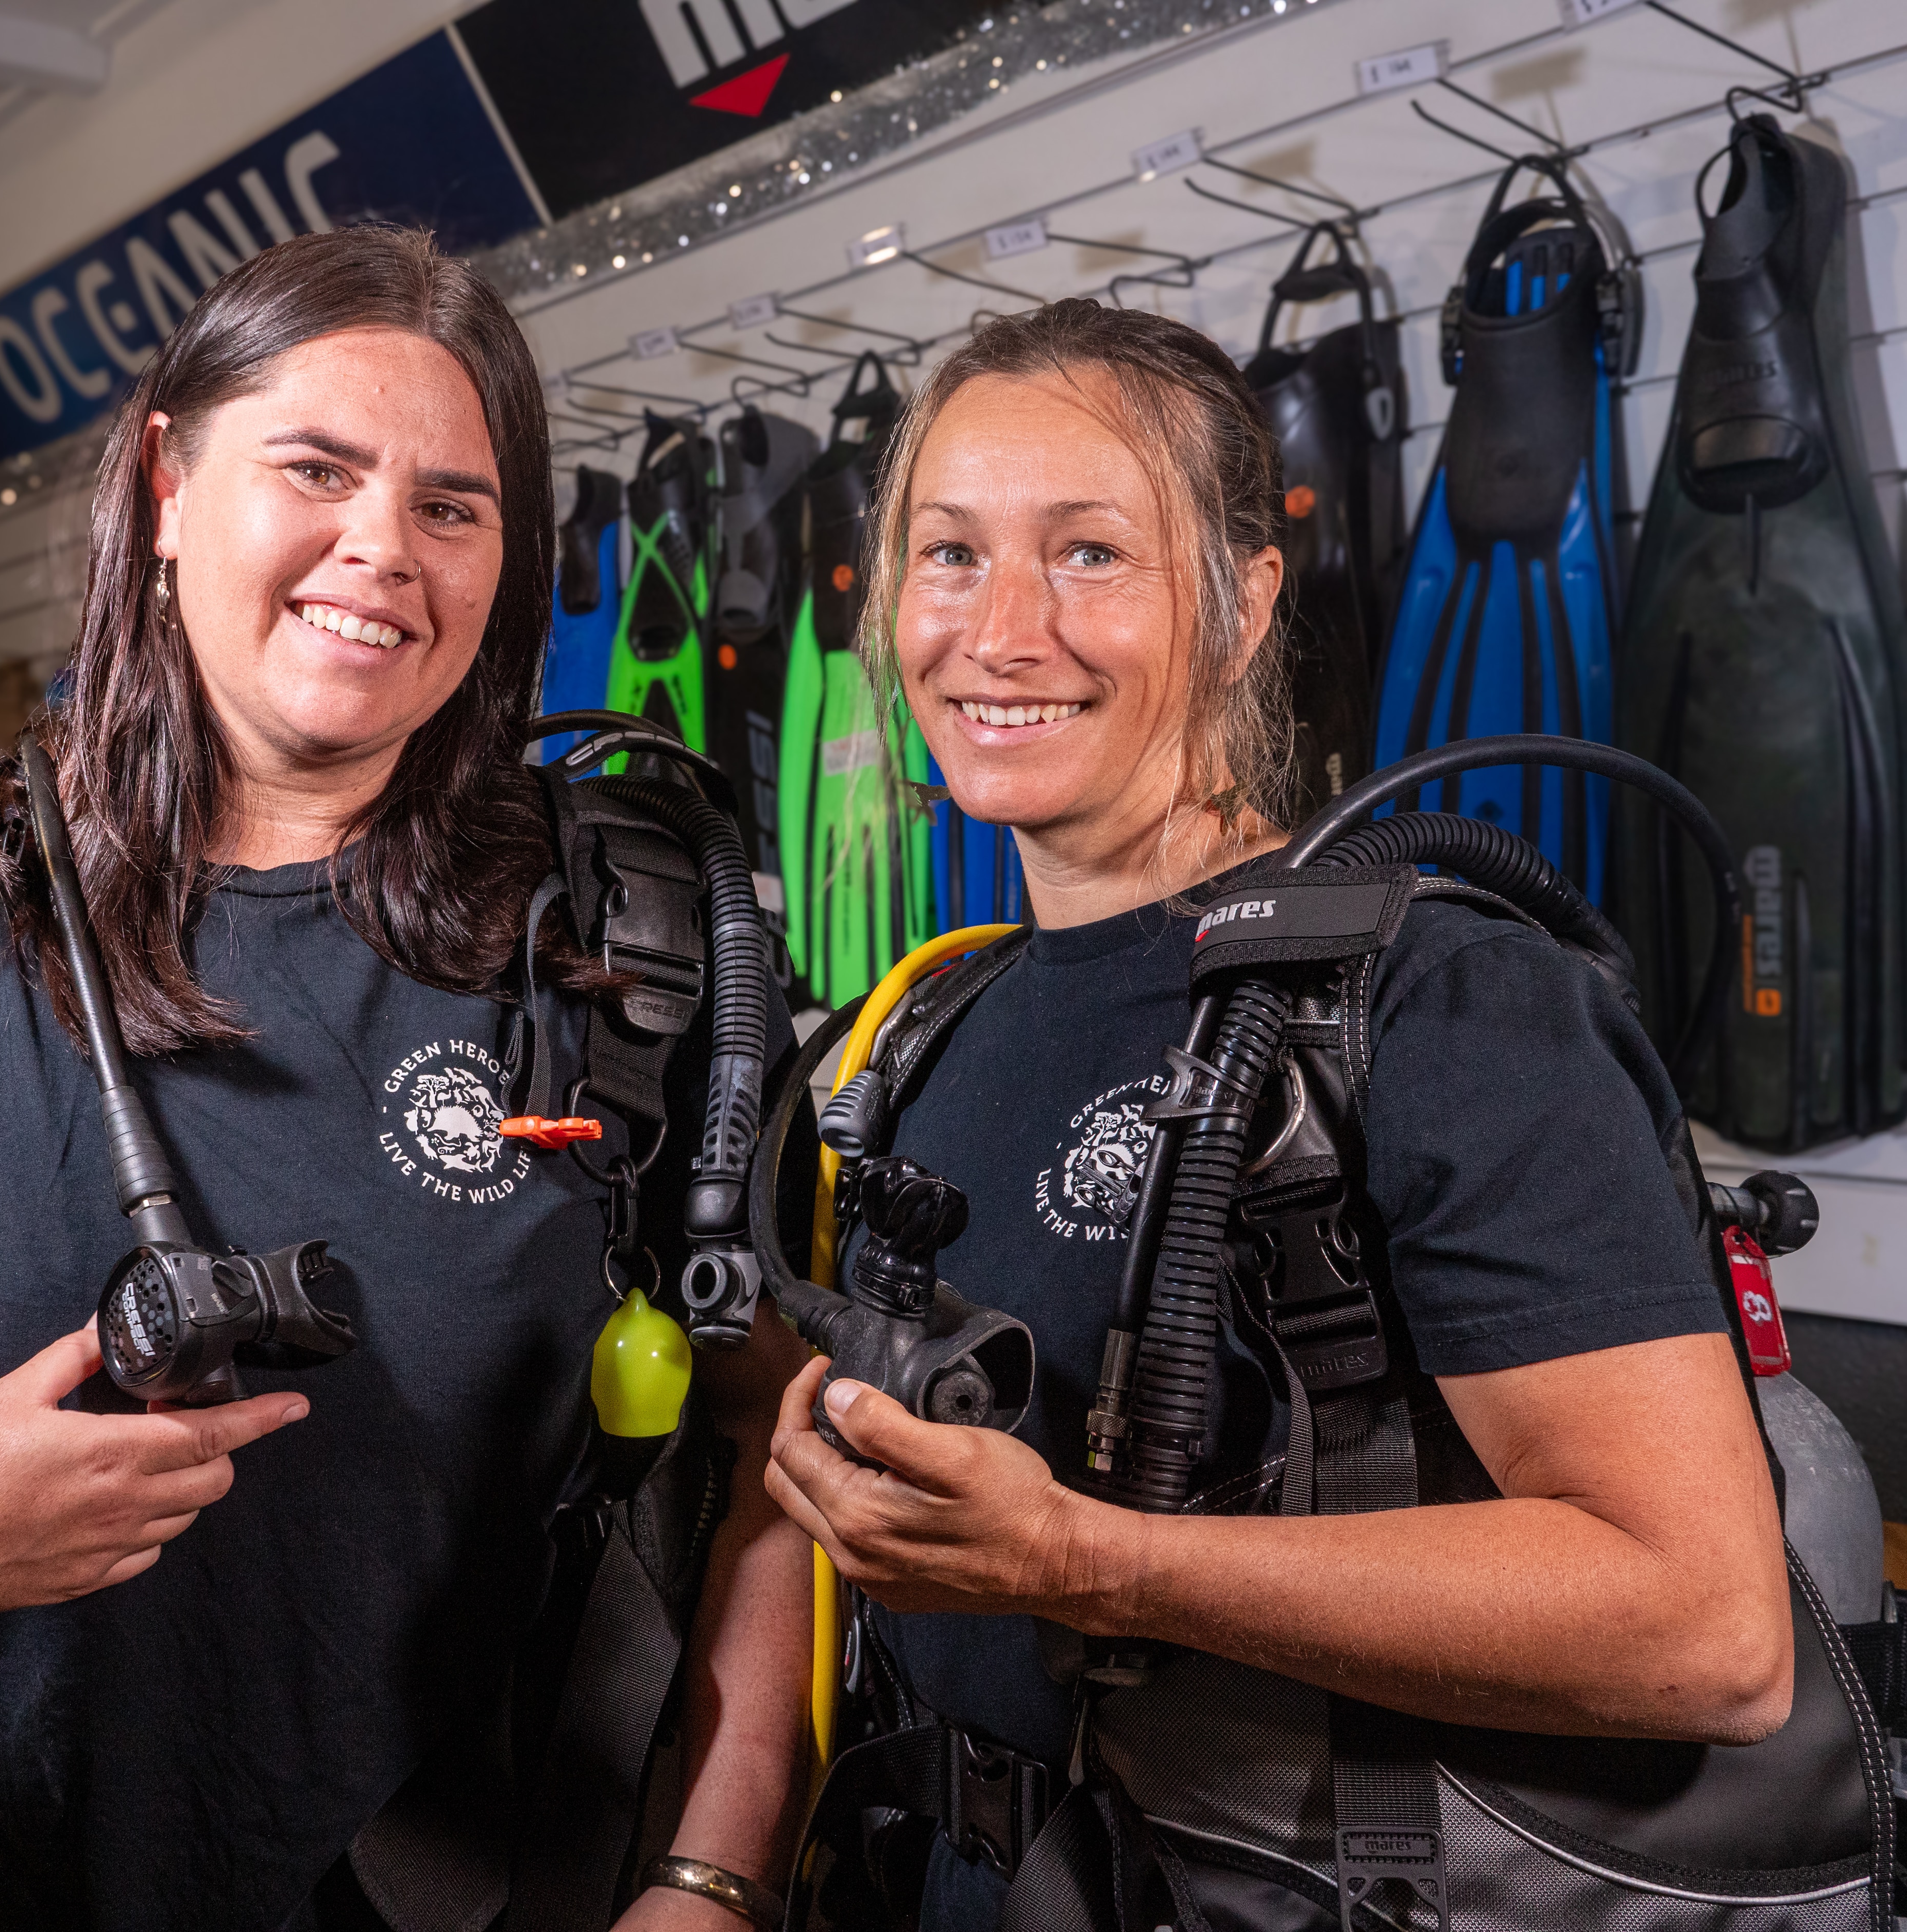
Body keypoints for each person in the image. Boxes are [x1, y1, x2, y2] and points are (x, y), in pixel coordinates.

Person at [0, 227, 812, 1930]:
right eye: (315, 468)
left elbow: (775, 1443)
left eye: (453, 505)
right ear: (170, 481)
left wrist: (711, 1880)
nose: (380, 548)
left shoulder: (629, 944)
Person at [761, 301, 1800, 1929]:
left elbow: (1704, 1629)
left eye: (1092, 554)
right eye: (949, 554)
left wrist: (1088, 1562)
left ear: (1245, 608)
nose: (1001, 629)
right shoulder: (934, 1021)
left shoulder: (1445, 1004)